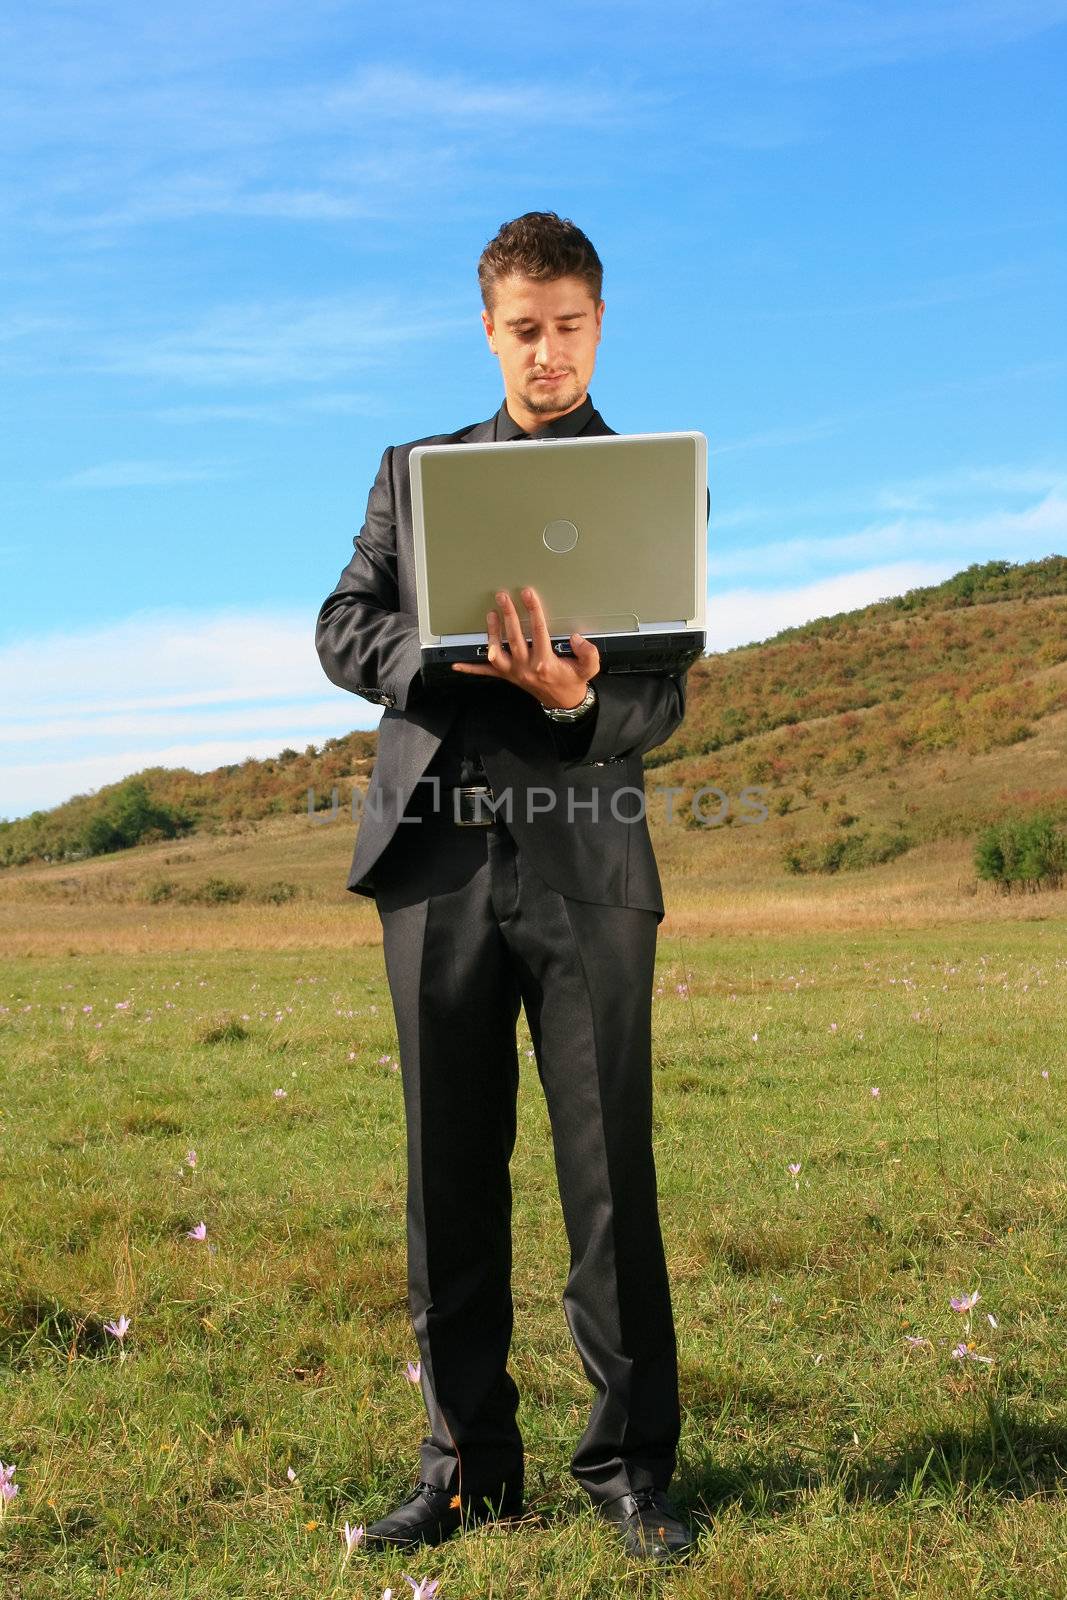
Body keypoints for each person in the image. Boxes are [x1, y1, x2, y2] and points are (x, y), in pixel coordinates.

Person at [315, 212, 694, 1564]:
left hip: (586, 868)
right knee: (448, 1177)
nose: (548, 351)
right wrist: (445, 659)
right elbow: (341, 624)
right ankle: (466, 1470)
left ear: (601, 325)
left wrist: (580, 691)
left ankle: (631, 1472)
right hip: (435, 862)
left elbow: (665, 691)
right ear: (488, 330)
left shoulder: (652, 481)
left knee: (609, 1178)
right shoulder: (411, 473)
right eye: (524, 329)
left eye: (571, 326)